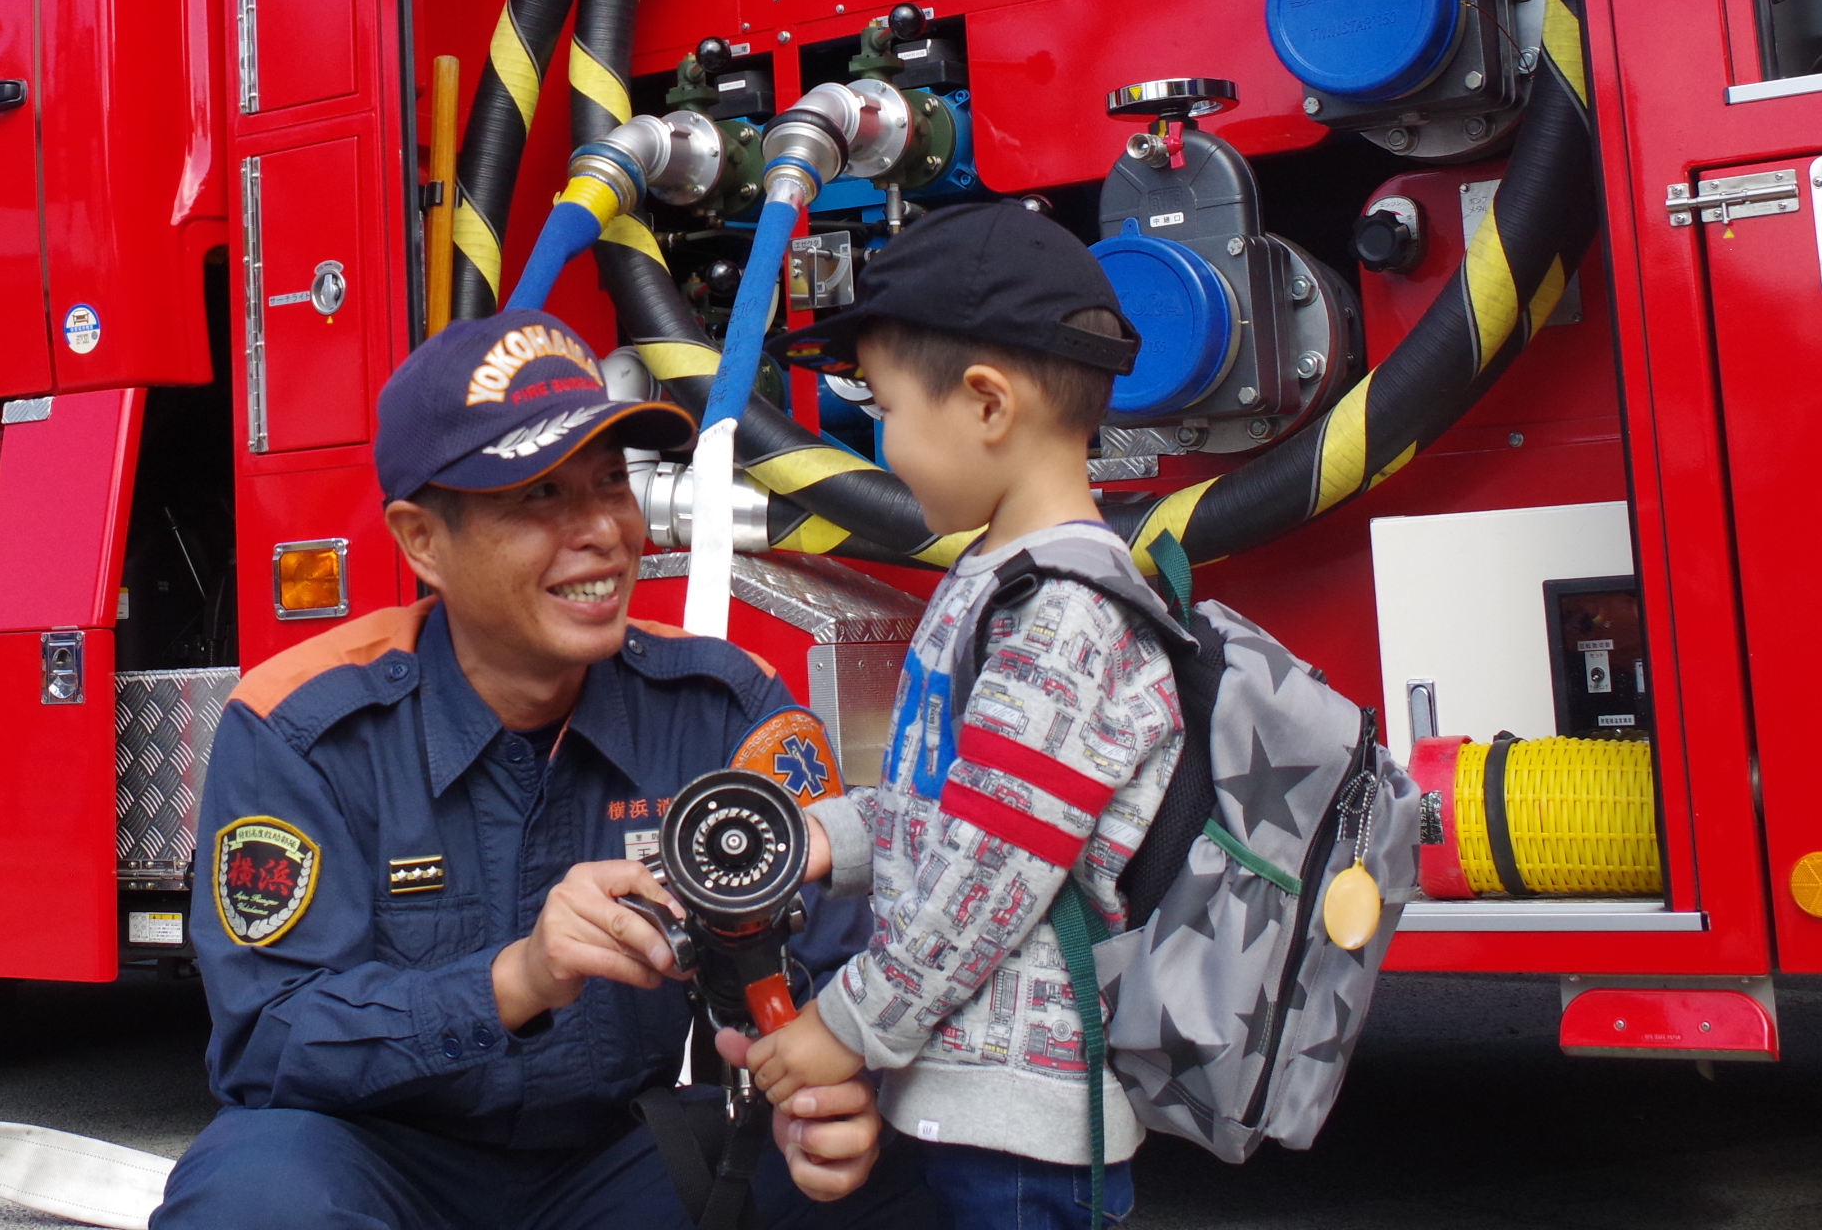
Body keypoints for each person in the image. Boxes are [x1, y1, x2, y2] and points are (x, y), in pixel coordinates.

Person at [154, 311, 916, 1230]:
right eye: (538, 497)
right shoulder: (299, 728)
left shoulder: (726, 707)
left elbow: (829, 967)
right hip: (375, 1166)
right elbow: (268, 1041)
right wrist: (515, 979)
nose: (600, 530)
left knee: (888, 1178)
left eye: (611, 485)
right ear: (422, 540)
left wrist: (827, 1101)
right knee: (251, 1197)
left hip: (621, 1161)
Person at [746, 198, 1186, 1230]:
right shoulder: (996, 576)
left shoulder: (1069, 614)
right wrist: (825, 835)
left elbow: (990, 870)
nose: (880, 439)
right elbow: (957, 809)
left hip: (1025, 1132)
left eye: (888, 407)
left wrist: (846, 1026)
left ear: (988, 402)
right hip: (969, 1103)